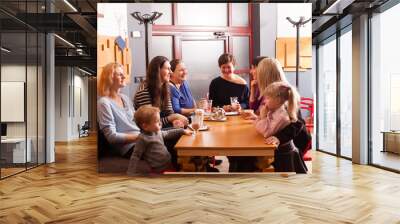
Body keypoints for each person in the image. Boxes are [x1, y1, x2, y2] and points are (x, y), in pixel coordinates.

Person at [254, 82, 307, 173]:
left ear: (278, 100)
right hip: (282, 151)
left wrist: (262, 117)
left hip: (285, 155)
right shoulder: (275, 111)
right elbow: (259, 125)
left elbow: (266, 132)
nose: (264, 101)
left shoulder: (281, 116)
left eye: (267, 98)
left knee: (285, 181)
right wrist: (261, 118)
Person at [126, 105, 192, 175]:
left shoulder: (156, 132)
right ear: (145, 126)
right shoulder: (142, 139)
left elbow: (168, 133)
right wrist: (131, 172)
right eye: (157, 121)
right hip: (159, 169)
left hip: (168, 163)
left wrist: (182, 131)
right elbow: (135, 156)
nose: (160, 123)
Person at [97, 62, 140, 158]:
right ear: (110, 78)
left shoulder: (125, 98)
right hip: (129, 147)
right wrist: (140, 137)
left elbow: (136, 122)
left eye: (123, 73)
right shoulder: (104, 103)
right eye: (120, 74)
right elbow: (112, 137)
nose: (124, 76)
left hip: (141, 138)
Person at [134, 56, 188, 129]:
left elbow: (169, 113)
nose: (171, 72)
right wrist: (172, 118)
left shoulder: (165, 87)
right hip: (151, 135)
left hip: (162, 130)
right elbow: (151, 124)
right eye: (168, 69)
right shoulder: (144, 91)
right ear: (157, 70)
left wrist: (175, 121)